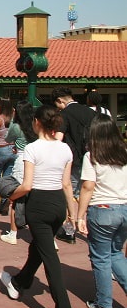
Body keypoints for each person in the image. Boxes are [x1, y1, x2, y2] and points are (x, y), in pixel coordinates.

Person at [0, 105, 77, 308]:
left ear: (37, 122)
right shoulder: (65, 149)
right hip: (58, 205)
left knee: (50, 260)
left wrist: (11, 196)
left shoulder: (32, 149)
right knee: (39, 249)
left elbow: (27, 185)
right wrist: (73, 214)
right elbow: (66, 184)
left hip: (39, 204)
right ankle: (18, 283)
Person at [76, 114, 127, 308]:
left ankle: (104, 303)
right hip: (124, 207)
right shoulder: (124, 154)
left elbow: (88, 187)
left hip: (102, 208)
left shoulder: (92, 156)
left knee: (100, 257)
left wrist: (80, 215)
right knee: (116, 253)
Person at [53, 87, 96, 244]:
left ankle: (69, 229)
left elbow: (58, 138)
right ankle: (91, 225)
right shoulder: (91, 112)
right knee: (89, 193)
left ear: (60, 101)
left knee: (68, 192)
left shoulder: (64, 114)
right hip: (93, 157)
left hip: (73, 159)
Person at [0, 101, 38, 245]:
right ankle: (45, 235)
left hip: (22, 160)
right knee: (35, 197)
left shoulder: (16, 126)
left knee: (16, 196)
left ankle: (13, 232)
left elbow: (8, 138)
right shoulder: (36, 125)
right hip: (37, 161)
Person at [0, 97, 17, 212]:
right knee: (7, 177)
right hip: (13, 149)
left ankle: (2, 197)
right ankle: (5, 200)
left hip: (1, 149)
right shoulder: (14, 119)